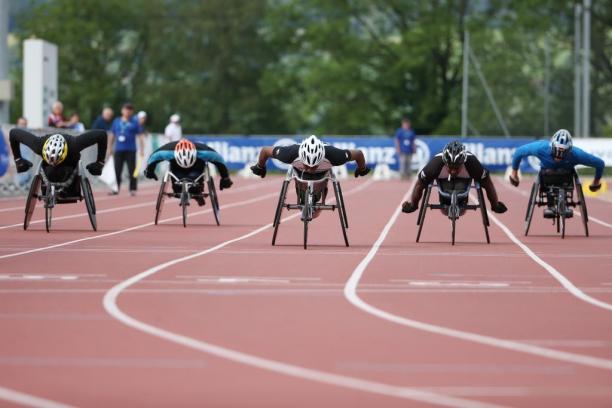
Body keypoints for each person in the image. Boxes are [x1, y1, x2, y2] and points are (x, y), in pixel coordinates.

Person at [251, 135, 370, 217]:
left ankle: (318, 200)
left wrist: (362, 169)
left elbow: (358, 154)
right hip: (299, 175)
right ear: (301, 158)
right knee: (301, 178)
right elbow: (265, 150)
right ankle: (303, 198)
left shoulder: (334, 155)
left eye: (314, 166)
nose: (310, 169)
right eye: (307, 165)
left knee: (321, 179)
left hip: (322, 176)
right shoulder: (289, 153)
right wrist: (260, 167)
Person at [509, 129, 604, 218]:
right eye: (557, 150)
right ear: (552, 146)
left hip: (566, 178)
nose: (559, 155)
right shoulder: (541, 148)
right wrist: (514, 173)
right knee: (547, 176)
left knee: (564, 175)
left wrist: (596, 181)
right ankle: (551, 205)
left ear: (569, 150)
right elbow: (518, 152)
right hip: (547, 178)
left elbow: (600, 164)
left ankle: (564, 204)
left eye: (563, 152)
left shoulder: (577, 154)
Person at [401, 140, 507, 214]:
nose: (453, 171)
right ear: (445, 162)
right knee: (427, 185)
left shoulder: (472, 164)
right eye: (450, 167)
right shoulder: (434, 166)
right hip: (443, 186)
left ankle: (461, 202)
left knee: (476, 185)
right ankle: (446, 202)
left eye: (457, 167)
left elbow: (488, 183)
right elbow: (419, 185)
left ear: (463, 162)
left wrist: (495, 205)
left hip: (463, 188)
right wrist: (413, 205)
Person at [9, 128, 107, 197]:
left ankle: (68, 190)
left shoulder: (75, 145)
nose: (54, 164)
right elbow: (13, 133)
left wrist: (100, 163)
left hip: (69, 161)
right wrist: (18, 160)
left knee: (67, 168)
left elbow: (102, 135)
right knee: (49, 170)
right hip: (47, 166)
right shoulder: (38, 145)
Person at [144, 138, 233, 206]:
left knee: (195, 183)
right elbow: (153, 158)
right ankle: (181, 189)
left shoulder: (205, 152)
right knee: (177, 187)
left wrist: (225, 178)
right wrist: (150, 171)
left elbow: (220, 162)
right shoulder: (167, 152)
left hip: (196, 169)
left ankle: (197, 192)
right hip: (177, 169)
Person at [108, 103, 144, 196]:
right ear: (122, 110)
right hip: (119, 149)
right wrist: (109, 147)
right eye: (126, 109)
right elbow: (112, 134)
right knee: (117, 170)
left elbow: (140, 136)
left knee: (132, 170)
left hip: (131, 149)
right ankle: (115, 188)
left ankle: (133, 189)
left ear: (132, 111)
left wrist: (142, 149)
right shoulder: (116, 121)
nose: (127, 111)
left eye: (130, 109)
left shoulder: (135, 122)